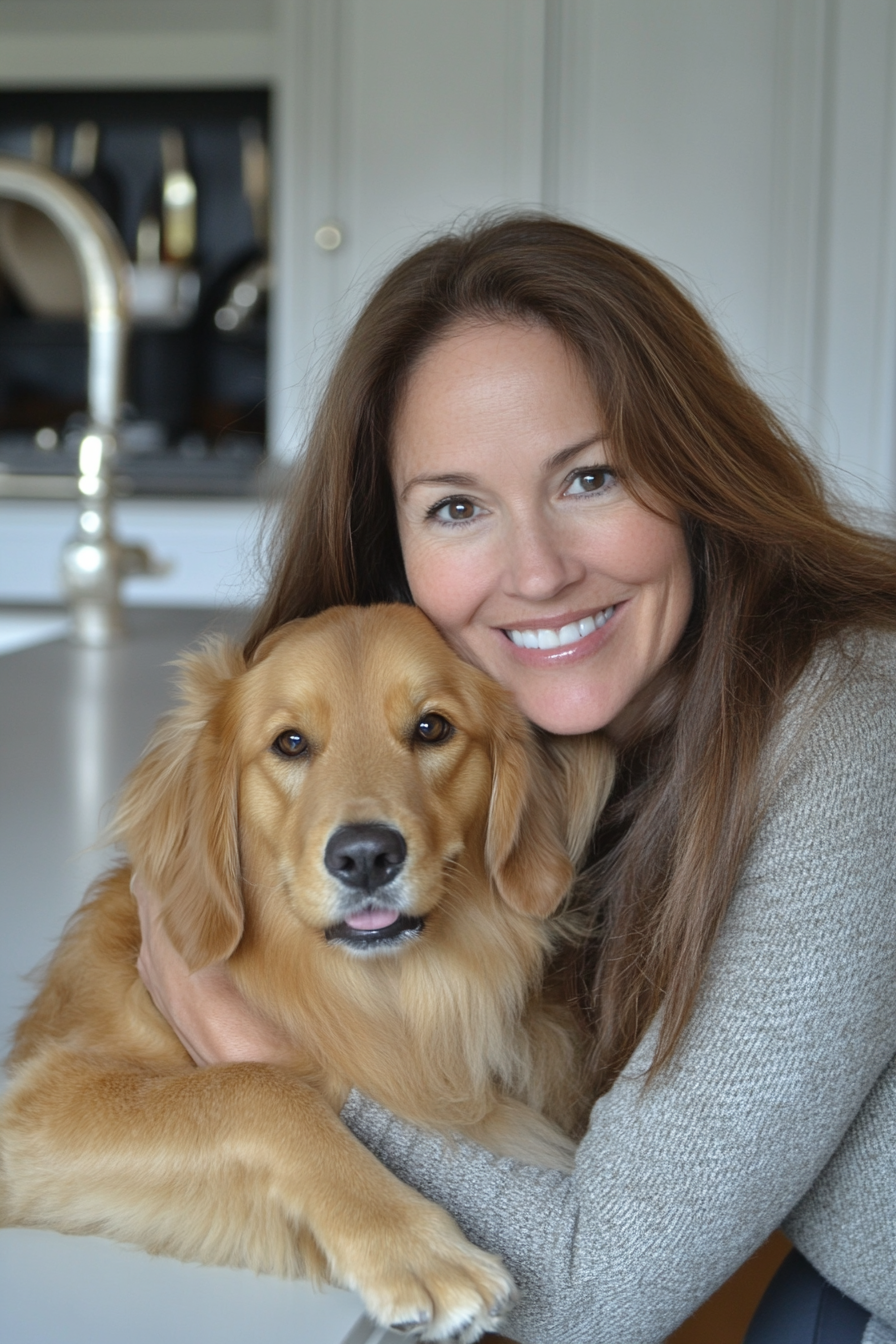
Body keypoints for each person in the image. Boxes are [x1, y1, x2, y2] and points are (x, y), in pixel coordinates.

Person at [135, 215, 896, 1344]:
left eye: (589, 477)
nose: (536, 571)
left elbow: (599, 1288)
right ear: (393, 552)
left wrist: (278, 1076)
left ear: (691, 475)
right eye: (457, 507)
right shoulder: (534, 756)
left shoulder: (856, 733)